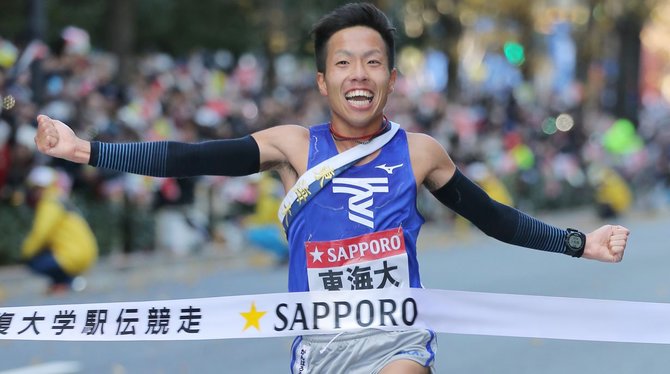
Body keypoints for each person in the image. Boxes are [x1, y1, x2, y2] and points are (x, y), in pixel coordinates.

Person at [33, 3, 630, 373]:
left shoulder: (421, 152)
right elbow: (188, 156)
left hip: (398, 332)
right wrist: (83, 149)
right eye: (343, 63)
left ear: (392, 80)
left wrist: (581, 244)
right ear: (323, 81)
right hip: (319, 345)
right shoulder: (292, 146)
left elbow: (495, 217)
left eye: (373, 62)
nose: (359, 74)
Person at [21, 165, 98, 294]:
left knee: (33, 261)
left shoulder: (49, 203)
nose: (33, 193)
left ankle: (65, 282)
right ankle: (65, 282)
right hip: (87, 254)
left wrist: (25, 252)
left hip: (72, 256)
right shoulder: (61, 199)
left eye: (35, 189)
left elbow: (41, 233)